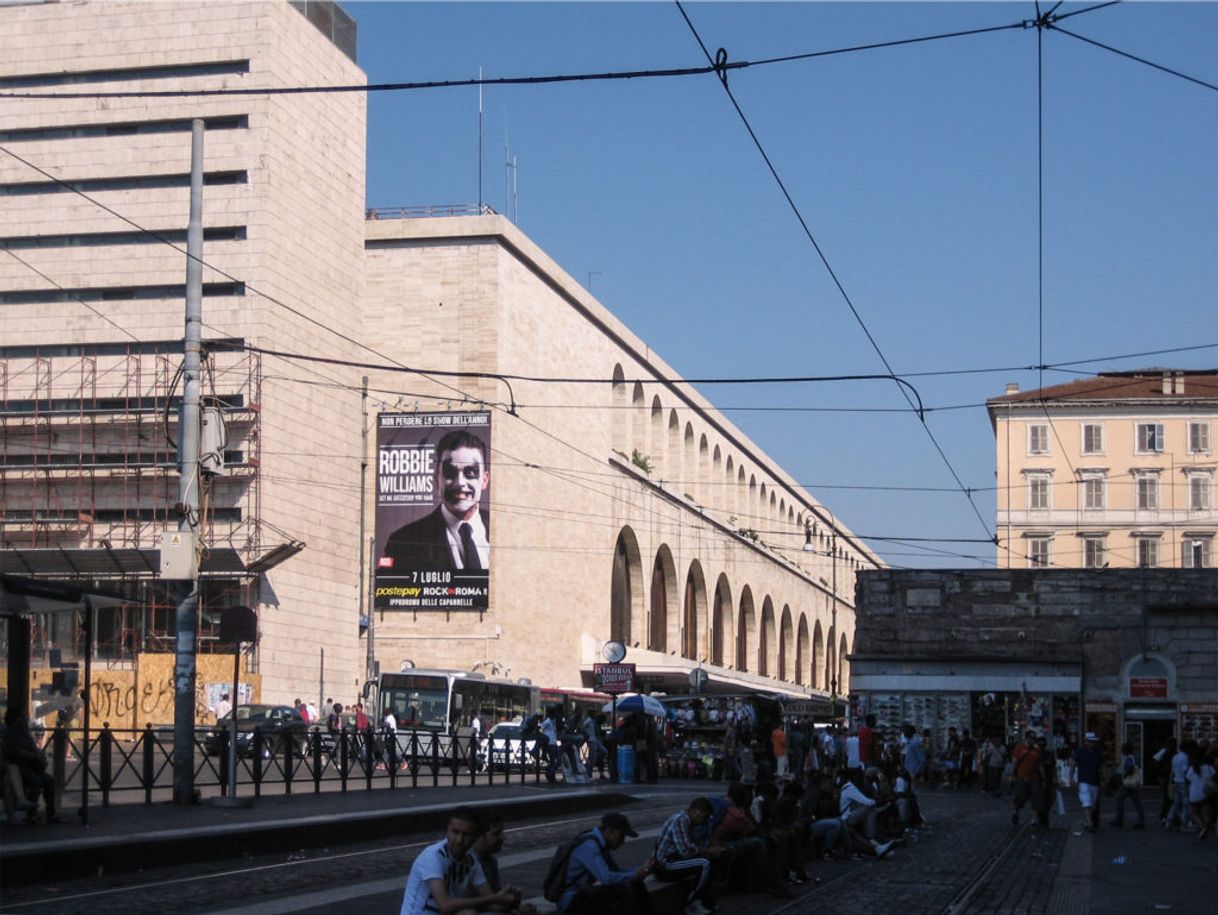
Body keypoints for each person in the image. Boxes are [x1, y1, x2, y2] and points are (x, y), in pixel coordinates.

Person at [383, 430, 490, 572]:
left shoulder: (503, 530)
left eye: (470, 472)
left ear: (484, 480)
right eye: (450, 472)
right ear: (436, 480)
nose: (459, 483)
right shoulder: (403, 541)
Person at [399, 806, 521, 914]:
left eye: (466, 834)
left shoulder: (471, 861)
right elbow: (445, 905)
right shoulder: (434, 856)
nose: (459, 840)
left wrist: (511, 900)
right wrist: (494, 899)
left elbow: (493, 904)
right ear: (447, 831)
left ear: (475, 837)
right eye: (455, 832)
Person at [557, 812, 654, 914]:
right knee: (621, 890)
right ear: (610, 831)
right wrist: (636, 874)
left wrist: (641, 870)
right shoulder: (590, 846)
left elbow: (616, 871)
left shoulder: (602, 844)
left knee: (635, 882)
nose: (623, 842)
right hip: (570, 899)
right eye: (621, 836)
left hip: (582, 892)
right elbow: (607, 878)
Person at [654, 797, 718, 914]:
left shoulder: (687, 821)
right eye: (704, 817)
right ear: (698, 812)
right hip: (666, 864)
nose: (703, 821)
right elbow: (686, 851)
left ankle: (705, 899)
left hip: (674, 860)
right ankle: (692, 902)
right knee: (705, 863)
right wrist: (707, 851)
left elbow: (691, 847)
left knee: (708, 860)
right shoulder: (680, 820)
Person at [472, 811, 539, 914]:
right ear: (479, 837)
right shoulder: (468, 862)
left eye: (501, 832)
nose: (503, 837)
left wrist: (513, 902)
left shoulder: (491, 861)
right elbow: (489, 905)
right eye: (496, 833)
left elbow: (495, 899)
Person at [2, 707, 58, 824]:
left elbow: (33, 747)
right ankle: (31, 814)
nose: (25, 719)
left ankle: (51, 813)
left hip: (30, 765)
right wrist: (33, 756)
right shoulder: (10, 733)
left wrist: (38, 754)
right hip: (18, 766)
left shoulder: (24, 733)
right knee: (35, 781)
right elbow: (14, 751)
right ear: (16, 719)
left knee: (49, 781)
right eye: (22, 717)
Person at [1110, 741, 1146, 829]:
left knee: (1119, 800)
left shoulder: (1128, 758)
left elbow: (1129, 768)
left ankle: (1119, 819)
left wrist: (1124, 775)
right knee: (1136, 802)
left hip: (1127, 783)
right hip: (1131, 783)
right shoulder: (1130, 757)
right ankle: (1140, 820)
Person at [1184, 747, 1216, 840]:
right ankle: (1205, 827)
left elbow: (1188, 780)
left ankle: (1202, 827)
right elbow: (1214, 778)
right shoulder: (1209, 768)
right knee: (1206, 812)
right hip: (1206, 794)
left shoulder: (1192, 769)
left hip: (1193, 795)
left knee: (1193, 812)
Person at [1010, 730, 1040, 827]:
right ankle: (1015, 812)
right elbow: (1014, 762)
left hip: (1033, 777)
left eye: (1034, 739)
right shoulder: (1019, 748)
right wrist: (1013, 775)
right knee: (1020, 798)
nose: (1033, 740)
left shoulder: (1036, 750)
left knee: (1035, 799)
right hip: (1021, 777)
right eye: (1031, 738)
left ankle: (1035, 819)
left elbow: (1039, 764)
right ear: (1027, 738)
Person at [1074, 732, 1103, 833]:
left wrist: (1104, 778)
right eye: (1091, 741)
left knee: (1092, 803)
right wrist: (1070, 778)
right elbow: (1074, 764)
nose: (1093, 743)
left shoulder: (1098, 753)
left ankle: (1087, 821)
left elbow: (1101, 767)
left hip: (1095, 780)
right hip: (1084, 779)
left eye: (1094, 741)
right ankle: (1090, 823)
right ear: (1086, 742)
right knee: (1086, 800)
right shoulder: (1080, 752)